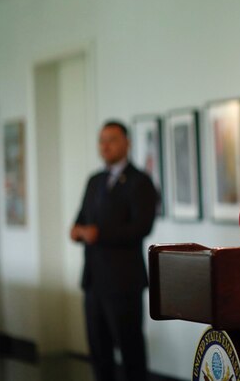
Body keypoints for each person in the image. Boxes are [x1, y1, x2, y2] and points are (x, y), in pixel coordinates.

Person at [70, 121, 157, 381]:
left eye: (111, 139)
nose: (105, 146)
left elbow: (142, 227)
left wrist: (100, 234)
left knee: (130, 351)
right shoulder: (94, 181)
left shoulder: (140, 182)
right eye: (101, 140)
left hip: (123, 281)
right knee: (99, 352)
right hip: (94, 280)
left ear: (127, 143)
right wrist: (77, 231)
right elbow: (81, 220)